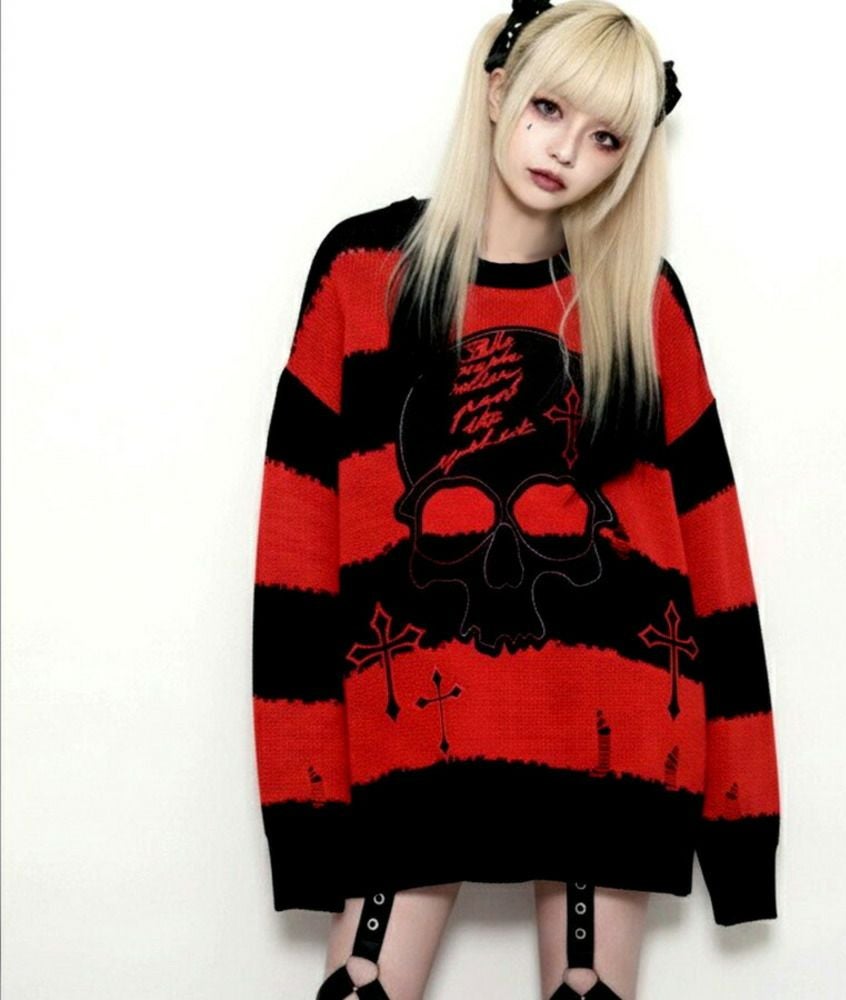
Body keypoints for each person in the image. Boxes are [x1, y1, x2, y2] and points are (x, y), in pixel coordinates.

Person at [251, 3, 781, 999]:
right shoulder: (365, 275)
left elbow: (716, 564)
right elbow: (295, 553)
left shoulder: (639, 306)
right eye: (548, 109)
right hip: (408, 747)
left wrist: (742, 831)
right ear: (496, 90)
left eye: (606, 137)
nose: (566, 151)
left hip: (611, 749)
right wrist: (308, 807)